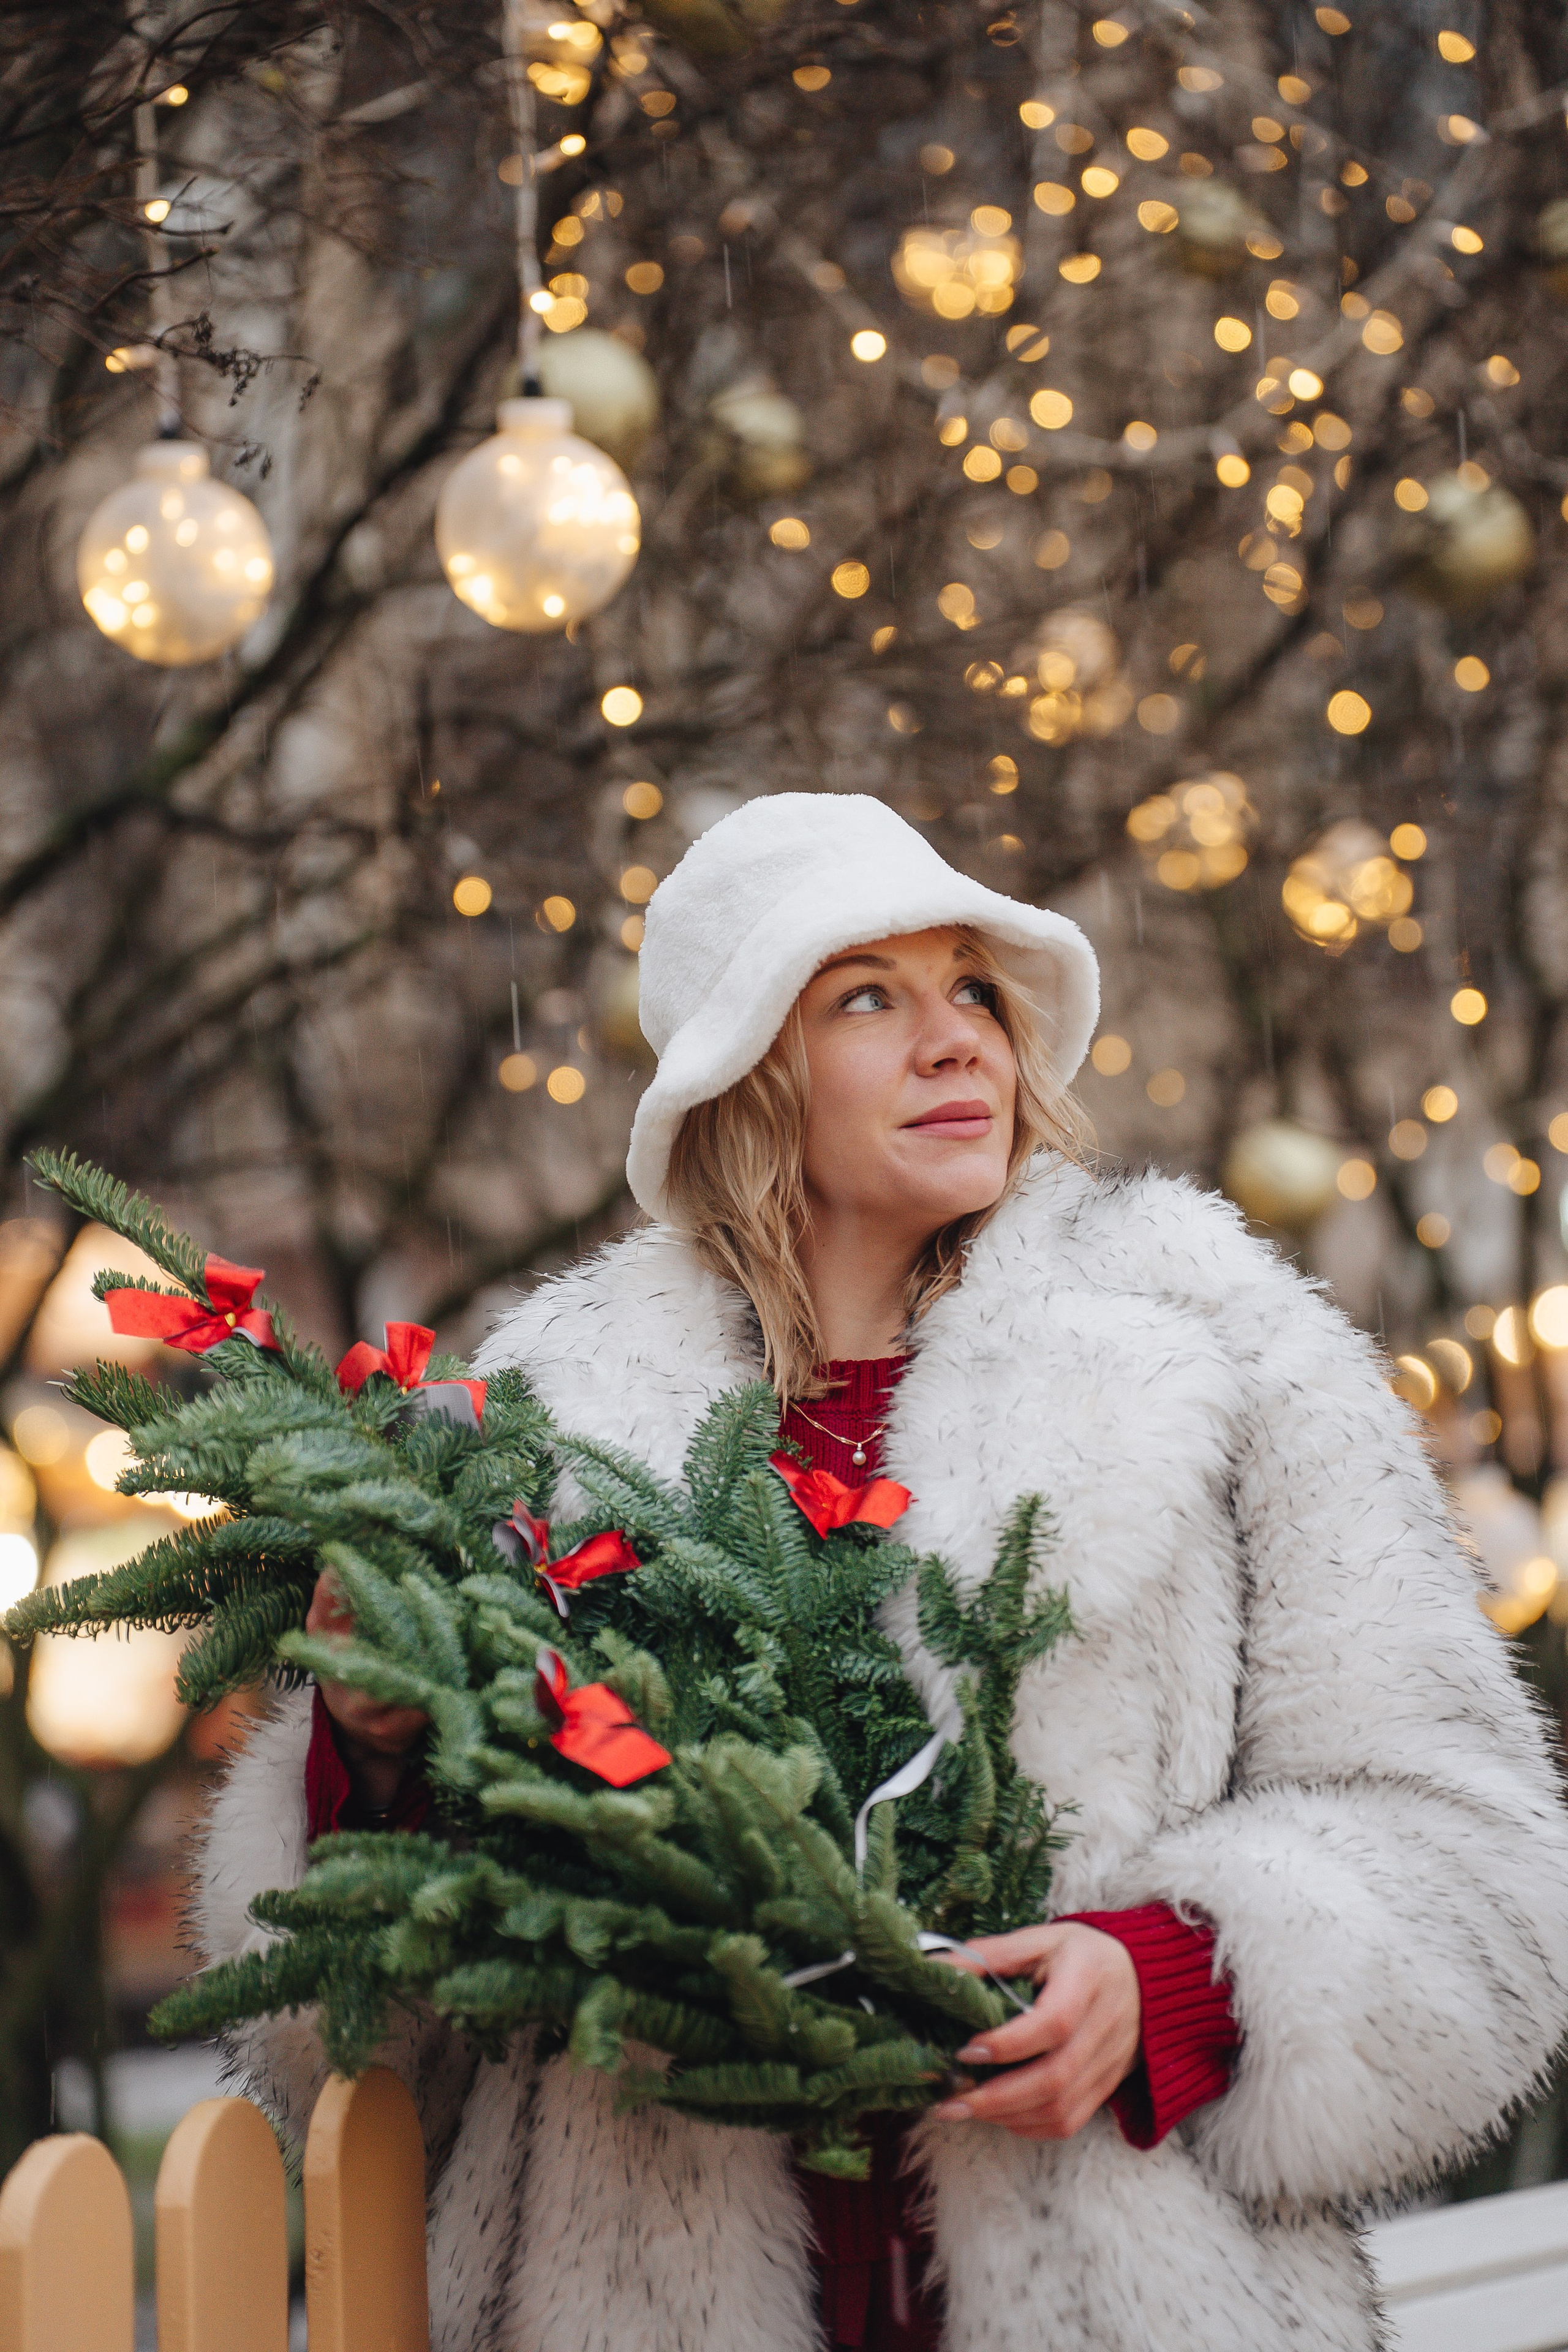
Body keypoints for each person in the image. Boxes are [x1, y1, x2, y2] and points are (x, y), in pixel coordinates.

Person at [195, 792, 1568, 2352]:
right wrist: (372, 1763)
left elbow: (1477, 1866)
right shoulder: (545, 1435)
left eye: (973, 991)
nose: (955, 1041)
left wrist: (1169, 1984)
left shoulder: (1226, 1358)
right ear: (743, 1072)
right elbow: (363, 2045)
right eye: (868, 999)